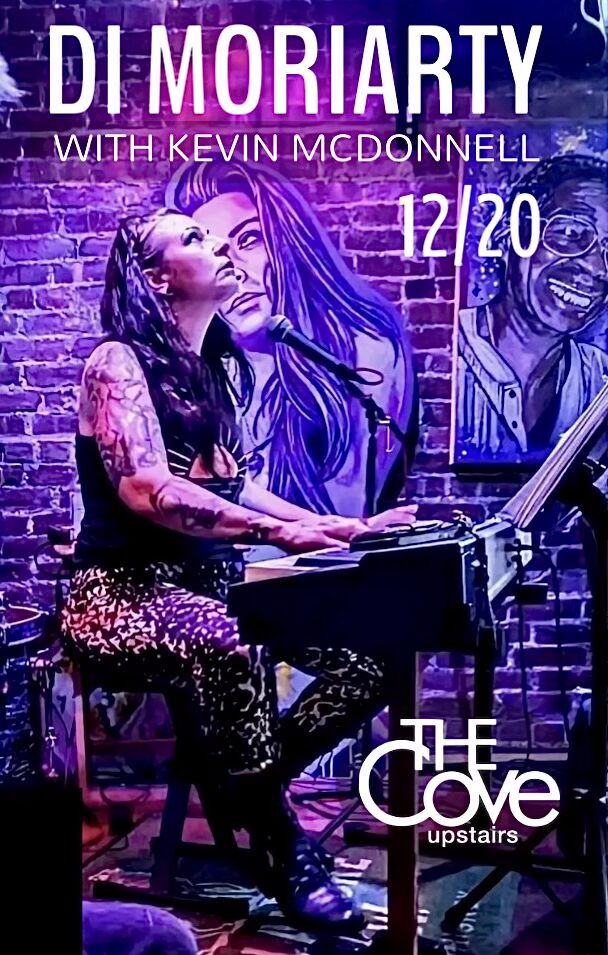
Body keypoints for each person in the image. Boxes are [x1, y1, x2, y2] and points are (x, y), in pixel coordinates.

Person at [61, 208, 416, 930]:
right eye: (194, 238)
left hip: (213, 588)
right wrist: (280, 533)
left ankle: (242, 781)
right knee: (228, 638)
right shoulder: (116, 362)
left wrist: (331, 526)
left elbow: (236, 486)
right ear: (156, 278)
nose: (218, 243)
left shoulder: (210, 371)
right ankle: (281, 840)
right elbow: (148, 489)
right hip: (118, 594)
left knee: (371, 657)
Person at [165, 158, 418, 517]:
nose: (236, 272)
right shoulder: (203, 371)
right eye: (216, 254)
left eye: (249, 240)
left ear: (285, 240)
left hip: (319, 550)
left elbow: (345, 512)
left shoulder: (363, 349)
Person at [457, 154, 608, 465]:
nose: (598, 269)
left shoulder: (599, 379)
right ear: (508, 236)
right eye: (571, 235)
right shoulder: (443, 359)